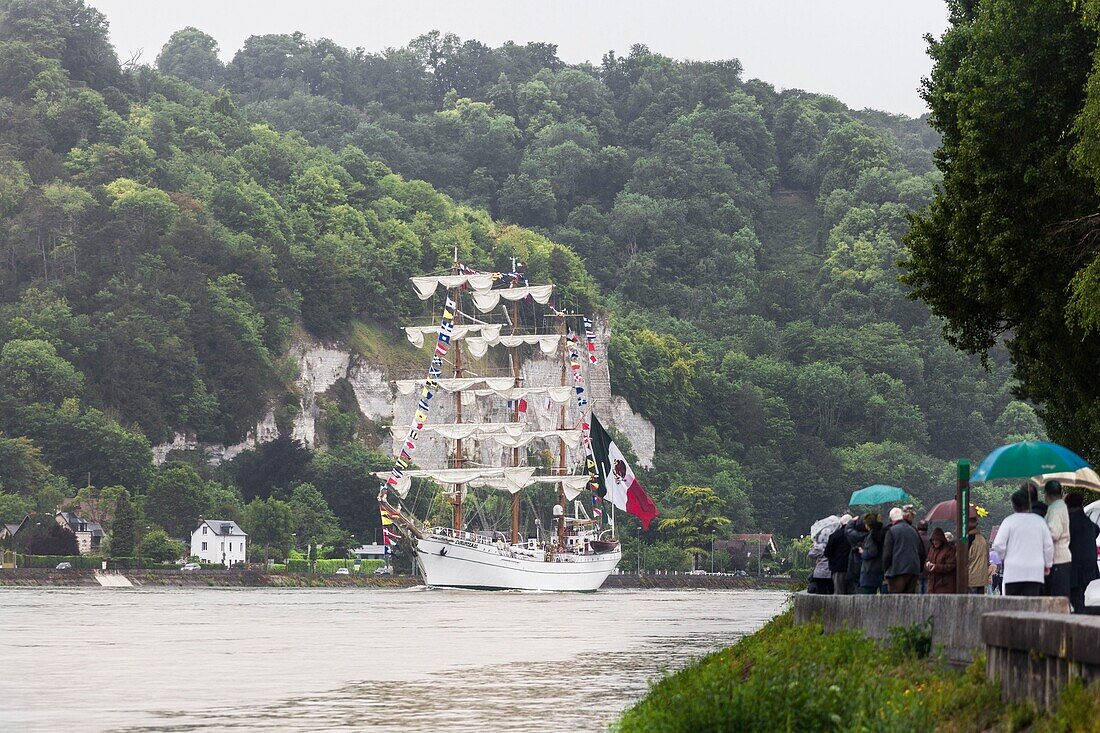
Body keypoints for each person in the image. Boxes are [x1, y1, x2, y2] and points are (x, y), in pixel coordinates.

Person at [992, 488, 1053, 596]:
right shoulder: (1039, 521)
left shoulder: (1009, 521)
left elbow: (998, 544)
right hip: (1034, 571)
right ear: (1029, 505)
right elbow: (1048, 546)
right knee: (1031, 604)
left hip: (1013, 571)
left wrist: (1004, 557)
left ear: (1014, 505)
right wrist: (1047, 564)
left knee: (1013, 605)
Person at [1066, 492, 1100, 613]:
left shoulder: (1070, 521)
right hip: (1089, 566)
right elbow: (1096, 529)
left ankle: (1081, 624)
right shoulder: (1085, 520)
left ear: (1067, 505)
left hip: (1076, 567)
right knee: (1079, 596)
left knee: (1076, 598)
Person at [883, 506, 925, 594]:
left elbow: (887, 554)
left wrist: (886, 570)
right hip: (913, 571)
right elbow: (922, 552)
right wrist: (919, 569)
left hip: (897, 571)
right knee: (910, 601)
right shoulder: (914, 530)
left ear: (891, 519)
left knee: (896, 601)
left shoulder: (891, 531)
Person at [1043, 480, 1071, 599]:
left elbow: (1054, 533)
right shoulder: (1062, 506)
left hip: (1058, 560)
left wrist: (1041, 535)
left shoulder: (1055, 509)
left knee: (1057, 598)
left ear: (1047, 495)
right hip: (1063, 558)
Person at [824, 514, 853, 595]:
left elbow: (827, 552)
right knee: (852, 593)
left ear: (841, 523)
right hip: (853, 568)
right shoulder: (855, 534)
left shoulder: (835, 535)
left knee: (839, 592)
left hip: (838, 568)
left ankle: (841, 608)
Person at [859, 513, 885, 594]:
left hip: (869, 570)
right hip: (880, 569)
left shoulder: (871, 536)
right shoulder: (882, 533)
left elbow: (872, 552)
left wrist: (863, 552)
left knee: (867, 596)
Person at [926, 527, 957, 593]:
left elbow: (951, 565)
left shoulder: (949, 549)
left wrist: (936, 567)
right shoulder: (932, 549)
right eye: (933, 540)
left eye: (936, 540)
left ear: (941, 540)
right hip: (932, 584)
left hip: (944, 585)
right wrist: (927, 564)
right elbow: (927, 559)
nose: (935, 542)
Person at [843, 513, 869, 594]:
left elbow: (848, 530)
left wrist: (851, 521)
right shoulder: (870, 535)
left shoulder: (855, 536)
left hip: (855, 564)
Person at [967, 515, 991, 595]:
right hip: (982, 577)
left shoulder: (969, 539)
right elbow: (987, 558)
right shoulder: (983, 538)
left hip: (971, 577)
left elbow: (964, 559)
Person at [808, 528, 834, 594]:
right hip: (830, 571)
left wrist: (815, 545)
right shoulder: (833, 545)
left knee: (821, 591)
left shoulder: (819, 547)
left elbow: (811, 554)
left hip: (819, 573)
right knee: (831, 590)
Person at [916, 520, 932, 593]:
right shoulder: (930, 540)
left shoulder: (915, 539)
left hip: (917, 568)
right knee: (926, 589)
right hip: (927, 568)